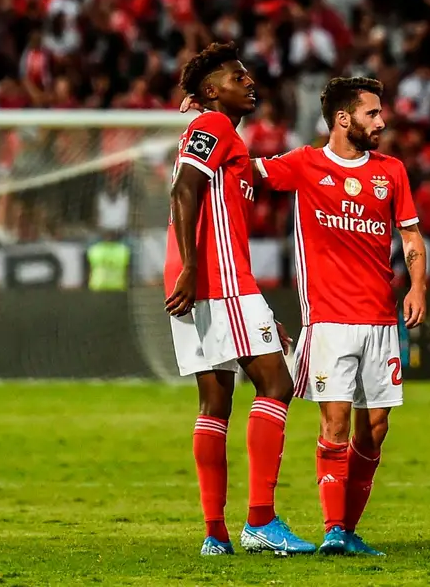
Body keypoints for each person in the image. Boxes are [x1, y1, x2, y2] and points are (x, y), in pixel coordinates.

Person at [256, 76, 427, 557]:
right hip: (328, 321)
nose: (383, 121)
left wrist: (418, 285)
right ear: (343, 119)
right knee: (333, 424)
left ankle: (347, 530)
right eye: (373, 113)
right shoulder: (304, 164)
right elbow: (244, 170)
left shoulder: (391, 171)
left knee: (374, 429)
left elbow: (411, 238)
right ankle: (333, 529)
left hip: (380, 320)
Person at [163, 42, 311, 557]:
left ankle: (215, 534)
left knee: (216, 403)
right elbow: (185, 190)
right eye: (237, 76)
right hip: (216, 280)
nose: (249, 82)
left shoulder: (218, 134)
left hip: (204, 282)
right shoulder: (215, 127)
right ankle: (261, 522)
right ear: (212, 90)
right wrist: (191, 266)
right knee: (277, 382)